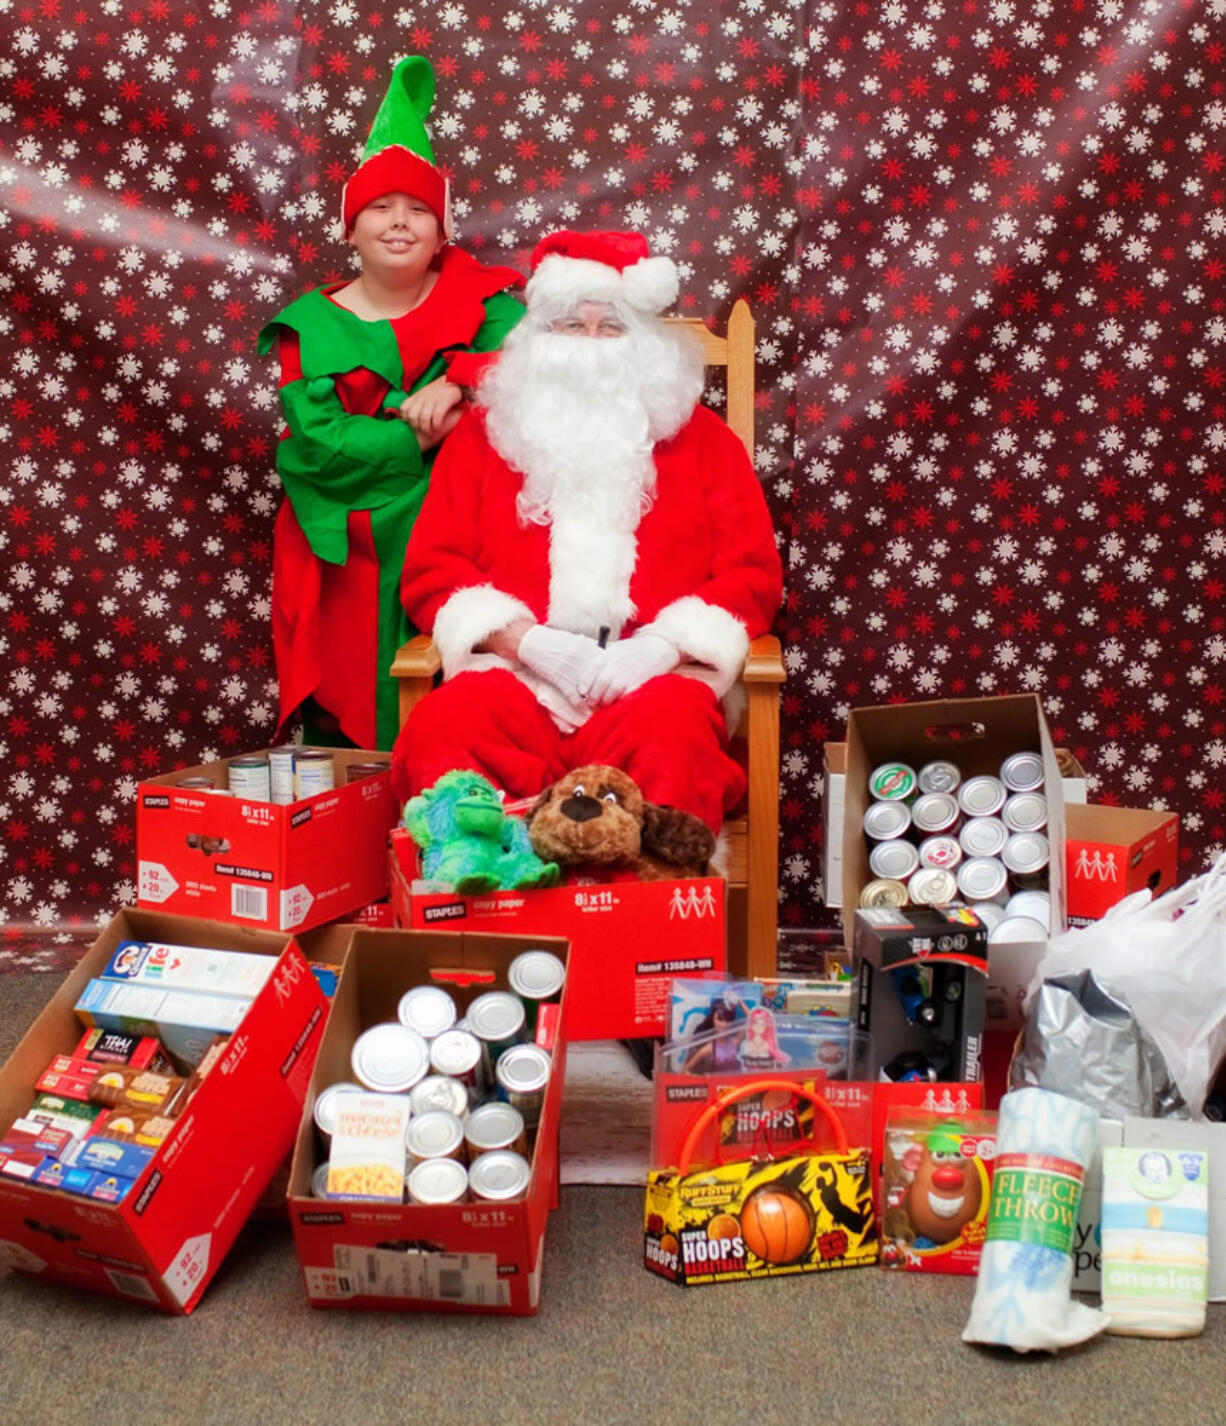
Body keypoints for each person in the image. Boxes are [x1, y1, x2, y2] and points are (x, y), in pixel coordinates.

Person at [391, 229, 783, 837]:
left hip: (654, 683)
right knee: (445, 729)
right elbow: (433, 570)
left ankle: (645, 923)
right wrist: (525, 642)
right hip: (517, 682)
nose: (591, 345)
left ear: (648, 346)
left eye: (612, 327)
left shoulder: (706, 441)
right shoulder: (482, 437)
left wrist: (663, 647)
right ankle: (483, 916)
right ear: (537, 339)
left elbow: (751, 575)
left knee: (674, 739)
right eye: (572, 326)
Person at [257, 55, 525, 751]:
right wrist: (423, 439)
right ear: (350, 230)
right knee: (353, 705)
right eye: (380, 207)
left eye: (418, 210)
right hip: (347, 536)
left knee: (460, 703)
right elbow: (321, 446)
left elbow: (529, 363)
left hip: (460, 531)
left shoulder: (482, 300)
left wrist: (458, 382)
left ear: (441, 232)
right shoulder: (309, 327)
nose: (400, 223)